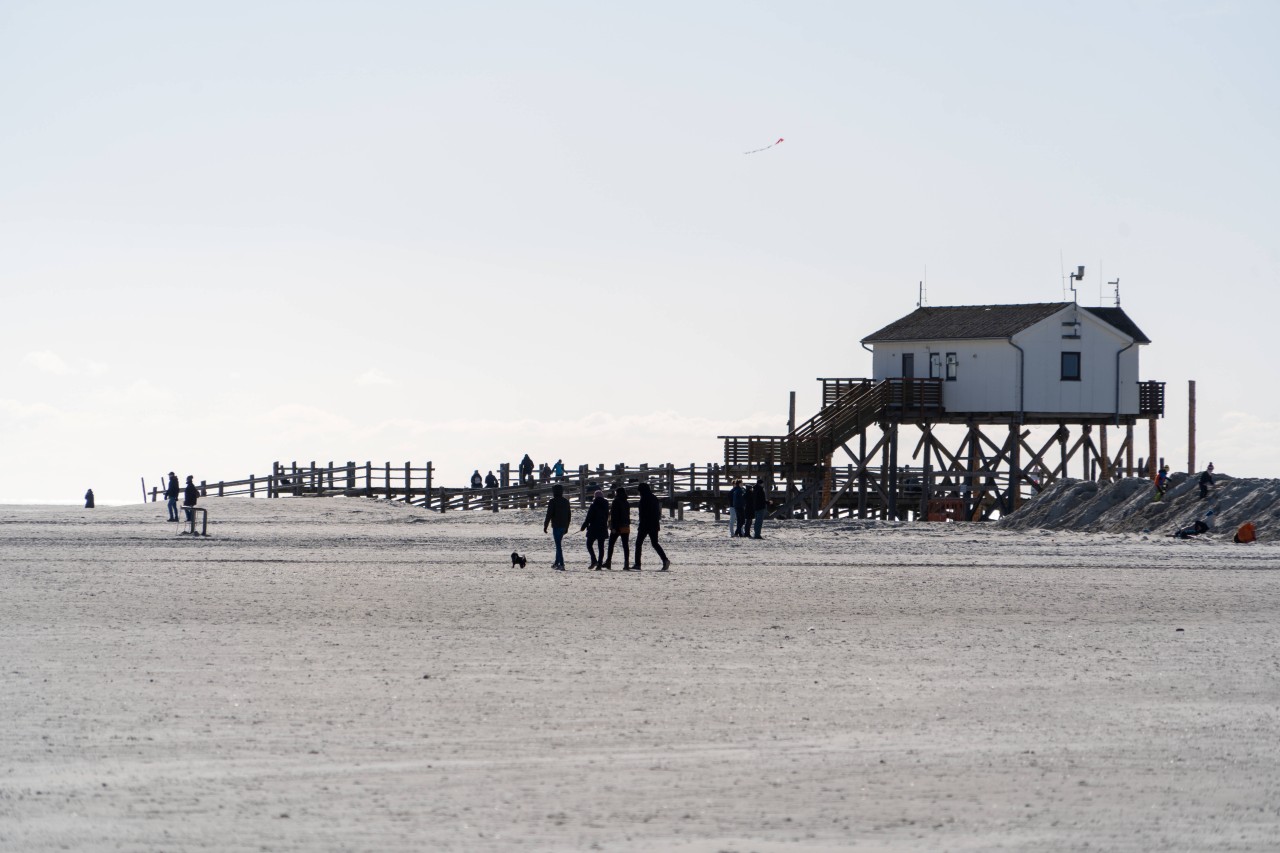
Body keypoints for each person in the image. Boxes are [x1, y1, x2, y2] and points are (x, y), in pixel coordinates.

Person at [634, 482, 670, 571]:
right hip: (654, 524)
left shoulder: (643, 499)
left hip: (645, 525)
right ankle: (665, 559)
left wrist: (641, 523)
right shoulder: (654, 497)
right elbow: (658, 512)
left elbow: (642, 513)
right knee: (655, 543)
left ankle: (637, 564)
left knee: (638, 543)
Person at [543, 484, 571, 570]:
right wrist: (567, 526)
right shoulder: (566, 501)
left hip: (556, 526)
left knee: (558, 545)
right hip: (563, 526)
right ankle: (556, 563)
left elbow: (549, 514)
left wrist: (545, 525)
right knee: (558, 544)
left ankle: (561, 564)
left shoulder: (553, 501)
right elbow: (569, 515)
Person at [581, 489, 609, 569]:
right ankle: (599, 564)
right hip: (603, 527)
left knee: (589, 544)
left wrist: (583, 526)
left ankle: (594, 560)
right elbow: (607, 516)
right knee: (601, 547)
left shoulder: (593, 505)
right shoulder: (606, 505)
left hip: (593, 528)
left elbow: (589, 517)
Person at [605, 486, 631, 570]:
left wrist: (613, 527)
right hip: (626, 526)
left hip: (617, 526)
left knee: (611, 544)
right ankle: (626, 563)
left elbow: (614, 515)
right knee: (625, 545)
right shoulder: (626, 502)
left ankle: (608, 562)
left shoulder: (616, 502)